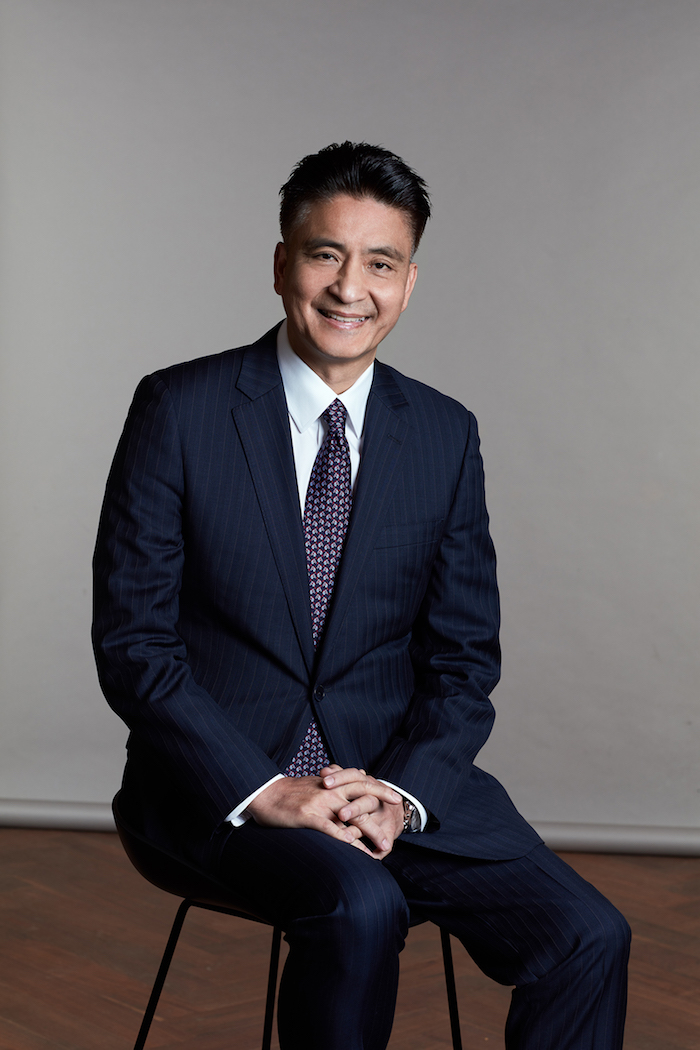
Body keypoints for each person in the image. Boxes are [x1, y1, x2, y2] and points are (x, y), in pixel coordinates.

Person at [93, 141, 630, 1050]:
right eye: (325, 254)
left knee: (588, 935)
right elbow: (134, 644)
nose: (351, 288)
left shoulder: (444, 433)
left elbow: (463, 660)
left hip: (390, 779)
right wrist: (266, 790)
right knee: (362, 905)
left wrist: (401, 794)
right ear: (281, 265)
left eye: (380, 263)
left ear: (409, 284)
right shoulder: (179, 410)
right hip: (223, 785)